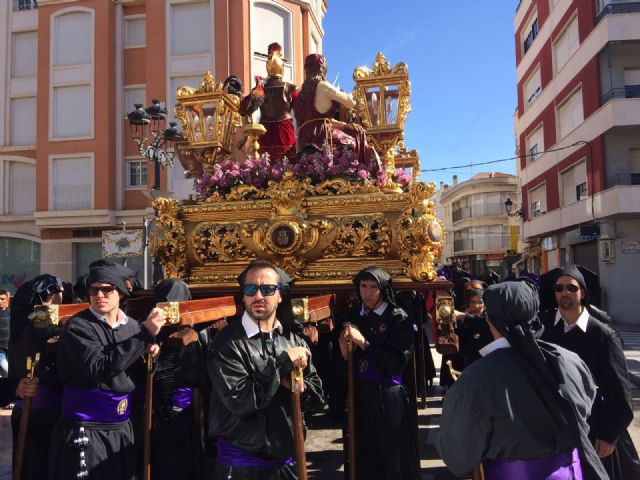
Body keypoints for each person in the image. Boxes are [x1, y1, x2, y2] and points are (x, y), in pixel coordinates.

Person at [438, 281, 608, 480]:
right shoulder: (570, 361)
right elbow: (586, 406)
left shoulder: (476, 377)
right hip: (569, 473)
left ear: (491, 321)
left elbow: (460, 457)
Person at [207, 259, 324, 480]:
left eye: (268, 289)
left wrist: (302, 387)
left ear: (280, 295)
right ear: (244, 295)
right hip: (242, 466)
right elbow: (241, 401)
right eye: (251, 288)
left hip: (288, 463)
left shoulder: (292, 340)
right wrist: (281, 367)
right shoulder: (227, 343)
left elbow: (319, 398)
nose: (259, 295)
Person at [49, 262, 166, 480]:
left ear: (121, 292)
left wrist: (150, 355)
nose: (99, 295)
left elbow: (139, 377)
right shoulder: (79, 327)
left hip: (121, 427)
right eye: (94, 290)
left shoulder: (133, 326)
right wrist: (144, 337)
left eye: (107, 289)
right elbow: (100, 368)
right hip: (86, 427)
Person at [541, 265, 640, 479]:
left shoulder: (602, 335)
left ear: (582, 293)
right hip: (555, 428)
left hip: (594, 428)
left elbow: (619, 392)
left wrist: (608, 434)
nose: (564, 292)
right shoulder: (544, 329)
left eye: (571, 288)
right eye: (559, 288)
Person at [337, 266, 420, 480]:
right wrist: (344, 346)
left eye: (373, 287)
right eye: (363, 286)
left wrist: (363, 342)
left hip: (387, 395)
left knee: (391, 453)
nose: (367, 292)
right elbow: (346, 360)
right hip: (360, 392)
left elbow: (393, 363)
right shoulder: (354, 315)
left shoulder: (397, 317)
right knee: (362, 450)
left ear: (382, 289)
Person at [8, 275, 65, 480]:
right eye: (56, 293)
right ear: (48, 295)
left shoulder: (22, 323)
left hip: (28, 408)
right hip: (42, 410)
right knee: (39, 467)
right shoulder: (40, 318)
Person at [293, 53, 381, 175]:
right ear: (322, 69)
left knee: (353, 131)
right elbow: (350, 102)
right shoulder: (323, 86)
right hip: (321, 137)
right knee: (355, 140)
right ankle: (358, 174)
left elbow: (321, 121)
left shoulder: (299, 95)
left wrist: (345, 126)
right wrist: (361, 90)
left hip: (304, 138)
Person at [257, 42, 298, 159]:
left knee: (265, 166)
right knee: (287, 167)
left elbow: (247, 109)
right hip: (283, 130)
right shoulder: (289, 88)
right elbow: (300, 110)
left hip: (265, 130)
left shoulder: (260, 89)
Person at [0, 289, 10, 378]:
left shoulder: (10, 312)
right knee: (6, 372)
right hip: (0, 351)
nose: (0, 301)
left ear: (7, 300)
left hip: (10, 349)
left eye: (2, 299)